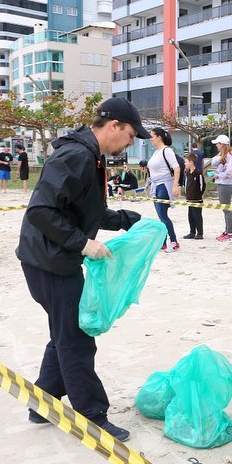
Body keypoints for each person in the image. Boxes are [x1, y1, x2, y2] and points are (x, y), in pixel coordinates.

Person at [16, 97, 147, 442]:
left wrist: (123, 220)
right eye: (131, 135)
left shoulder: (90, 155)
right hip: (49, 261)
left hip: (50, 258)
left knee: (64, 333)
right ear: (115, 126)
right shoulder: (76, 155)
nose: (130, 143)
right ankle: (92, 415)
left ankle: (41, 403)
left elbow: (83, 210)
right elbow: (41, 211)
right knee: (76, 337)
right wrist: (83, 244)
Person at [147, 127, 182, 252]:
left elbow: (176, 168)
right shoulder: (156, 152)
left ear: (159, 137)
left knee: (163, 215)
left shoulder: (166, 151)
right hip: (156, 186)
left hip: (163, 185)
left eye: (152, 135)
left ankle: (173, 241)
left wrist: (175, 185)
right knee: (161, 216)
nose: (150, 138)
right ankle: (163, 242)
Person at [211, 135, 232, 241]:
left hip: (226, 184)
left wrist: (219, 175)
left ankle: (229, 232)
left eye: (217, 143)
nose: (216, 145)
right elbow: (214, 162)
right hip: (223, 184)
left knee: (226, 209)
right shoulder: (223, 155)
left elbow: (230, 171)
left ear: (222, 144)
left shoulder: (229, 156)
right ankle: (227, 231)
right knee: (225, 208)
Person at [183, 153, 205, 240]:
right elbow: (186, 184)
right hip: (189, 199)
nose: (185, 164)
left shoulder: (198, 173)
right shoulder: (187, 173)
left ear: (191, 162)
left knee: (197, 216)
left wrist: (198, 195)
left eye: (186, 162)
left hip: (197, 199)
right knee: (190, 216)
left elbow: (202, 186)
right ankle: (192, 232)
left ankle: (200, 233)